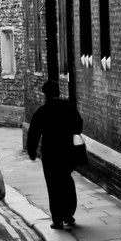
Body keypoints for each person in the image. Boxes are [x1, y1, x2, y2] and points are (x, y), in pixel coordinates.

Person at [27, 80, 83, 229]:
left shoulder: (43, 111)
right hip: (66, 151)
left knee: (53, 185)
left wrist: (31, 150)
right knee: (66, 181)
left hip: (50, 152)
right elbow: (79, 126)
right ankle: (69, 213)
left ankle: (57, 219)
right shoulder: (68, 108)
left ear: (45, 94)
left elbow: (34, 132)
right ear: (58, 92)